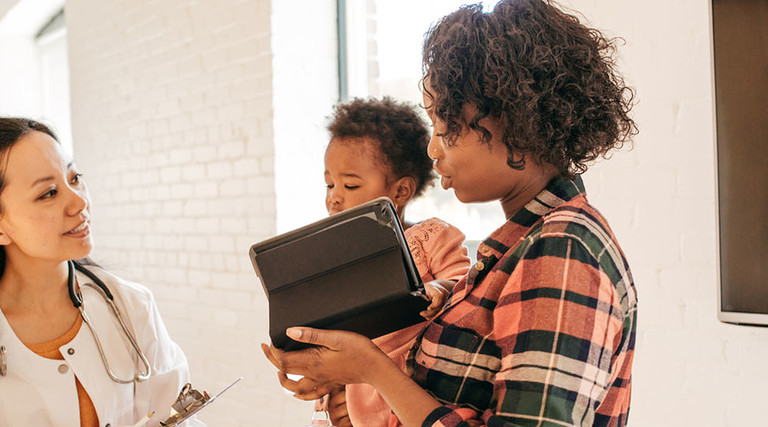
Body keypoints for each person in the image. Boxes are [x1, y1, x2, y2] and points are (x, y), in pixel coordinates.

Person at [262, 1, 638, 426]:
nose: (432, 149)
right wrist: (346, 376)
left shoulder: (562, 253)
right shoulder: (516, 250)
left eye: (445, 129)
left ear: (514, 122)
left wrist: (370, 369)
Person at [0, 118, 203, 426]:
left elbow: (178, 419)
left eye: (74, 177)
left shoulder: (131, 306)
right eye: (49, 193)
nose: (79, 201)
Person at [321, 97, 471, 426]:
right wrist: (326, 384)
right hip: (354, 400)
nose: (334, 195)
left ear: (401, 191)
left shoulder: (433, 237)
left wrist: (438, 288)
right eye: (329, 184)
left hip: (412, 397)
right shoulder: (336, 259)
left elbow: (464, 283)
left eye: (350, 184)